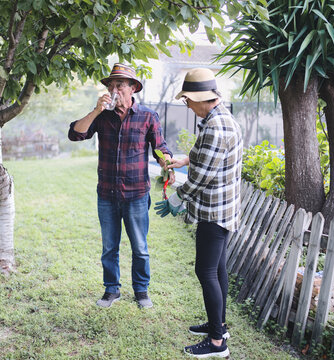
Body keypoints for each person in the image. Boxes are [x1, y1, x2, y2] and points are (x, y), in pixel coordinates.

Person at [68, 63, 175, 309]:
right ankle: (111, 290)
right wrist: (96, 110)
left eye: (120, 84)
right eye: (111, 85)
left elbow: (161, 148)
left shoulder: (148, 116)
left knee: (140, 247)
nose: (114, 89)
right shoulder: (101, 116)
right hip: (107, 194)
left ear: (132, 88)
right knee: (109, 247)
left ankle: (141, 290)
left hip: (136, 194)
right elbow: (75, 134)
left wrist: (166, 162)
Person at [154, 68, 242, 358]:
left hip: (214, 212)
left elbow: (202, 176)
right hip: (222, 208)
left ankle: (217, 343)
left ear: (200, 98)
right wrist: (183, 159)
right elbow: (204, 155)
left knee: (205, 270)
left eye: (187, 100)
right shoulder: (218, 119)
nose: (187, 106)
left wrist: (177, 199)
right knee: (217, 270)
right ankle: (219, 325)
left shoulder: (216, 126)